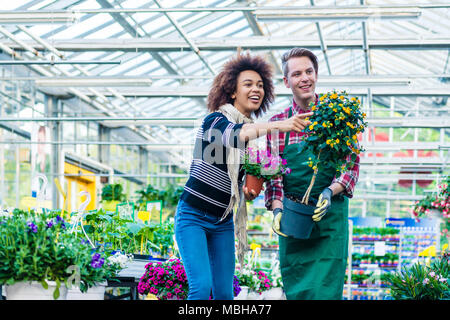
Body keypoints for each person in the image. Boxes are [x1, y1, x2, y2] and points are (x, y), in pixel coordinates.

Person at [174, 53, 312, 300]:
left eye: (260, 85)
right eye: (248, 84)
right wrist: (280, 125)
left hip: (223, 221)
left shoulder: (248, 144)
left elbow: (234, 180)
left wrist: (247, 192)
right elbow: (235, 134)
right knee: (201, 288)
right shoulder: (214, 122)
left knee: (225, 294)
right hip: (193, 216)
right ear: (232, 92)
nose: (255, 89)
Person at [264, 48, 360, 300]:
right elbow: (273, 176)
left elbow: (350, 165)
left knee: (326, 291)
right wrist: (277, 209)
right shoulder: (277, 125)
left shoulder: (338, 118)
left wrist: (330, 191)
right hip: (295, 222)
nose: (304, 78)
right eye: (296, 74)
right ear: (287, 82)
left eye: (309, 71)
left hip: (329, 223)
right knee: (298, 291)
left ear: (316, 75)